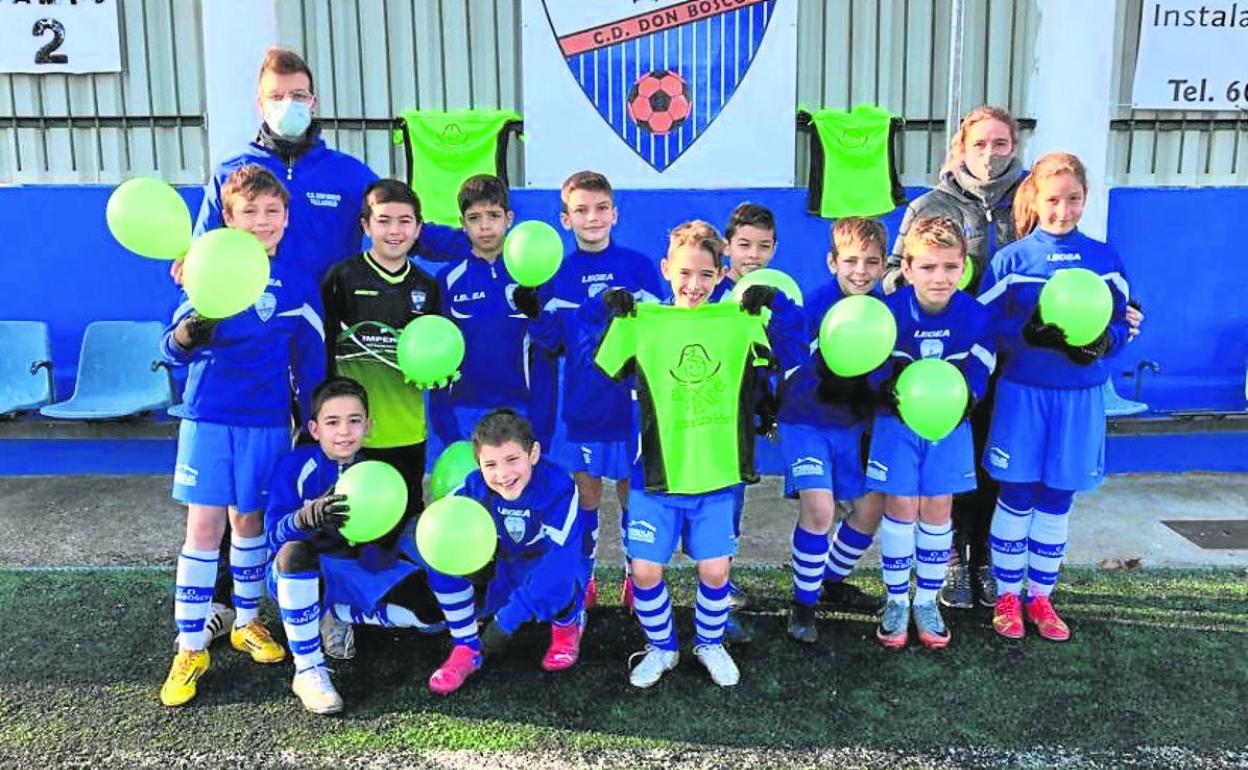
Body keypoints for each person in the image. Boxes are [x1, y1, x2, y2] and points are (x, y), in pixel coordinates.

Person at [593, 220, 792, 688]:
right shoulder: (641, 323)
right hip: (656, 475)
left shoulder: (740, 321)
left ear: (722, 274)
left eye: (705, 275)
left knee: (716, 567)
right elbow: (600, 364)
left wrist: (773, 310)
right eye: (684, 273)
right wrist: (609, 315)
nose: (694, 285)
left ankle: (709, 642)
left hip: (715, 471)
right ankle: (662, 647)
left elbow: (785, 350)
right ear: (665, 270)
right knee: (643, 569)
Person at [158, 165, 326, 707]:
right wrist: (187, 333)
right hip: (207, 417)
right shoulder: (206, 268)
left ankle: (248, 621)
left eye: (271, 212)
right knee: (205, 526)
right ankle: (189, 646)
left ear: (285, 218)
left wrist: (313, 420)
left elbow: (311, 356)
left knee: (250, 520)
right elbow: (171, 347)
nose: (261, 222)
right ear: (228, 218)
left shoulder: (299, 280)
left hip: (269, 421)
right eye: (248, 212)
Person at [978, 152, 1130, 642]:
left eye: (1074, 199)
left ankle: (1040, 597)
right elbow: (984, 325)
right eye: (1053, 200)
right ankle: (1006, 595)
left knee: (1057, 498)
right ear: (1035, 200)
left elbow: (1122, 320)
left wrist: (1105, 342)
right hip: (1024, 395)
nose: (1063, 210)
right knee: (1017, 493)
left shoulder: (1105, 258)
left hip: (1079, 398)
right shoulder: (1012, 259)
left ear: (1084, 199)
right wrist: (1026, 332)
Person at [881, 106, 1024, 609]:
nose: (989, 154)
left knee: (992, 459)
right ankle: (956, 561)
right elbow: (894, 271)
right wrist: (925, 298)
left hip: (1009, 354)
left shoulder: (1028, 198)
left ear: (1014, 146)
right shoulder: (928, 204)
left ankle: (983, 555)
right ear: (961, 148)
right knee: (951, 459)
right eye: (979, 144)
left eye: (1000, 143)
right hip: (937, 365)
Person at [523, 170, 665, 610]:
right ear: (566, 219)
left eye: (601, 208)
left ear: (615, 214)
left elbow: (661, 330)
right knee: (586, 496)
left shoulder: (638, 267)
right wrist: (534, 314)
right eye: (581, 210)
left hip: (629, 408)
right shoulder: (554, 275)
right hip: (582, 409)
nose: (592, 217)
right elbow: (552, 345)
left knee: (629, 493)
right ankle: (584, 577)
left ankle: (631, 573)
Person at [264, 377, 444, 714]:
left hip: (353, 569)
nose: (344, 431)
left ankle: (336, 614)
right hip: (302, 573)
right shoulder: (295, 466)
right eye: (332, 422)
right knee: (294, 552)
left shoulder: (380, 473)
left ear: (369, 426)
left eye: (354, 421)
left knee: (431, 615)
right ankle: (308, 669)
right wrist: (304, 520)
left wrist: (379, 544)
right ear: (315, 429)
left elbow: (384, 539)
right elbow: (272, 537)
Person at [867, 217, 995, 650]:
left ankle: (927, 600)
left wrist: (971, 395)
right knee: (901, 504)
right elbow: (869, 357)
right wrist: (881, 385)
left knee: (939, 508)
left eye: (949, 266)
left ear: (963, 268)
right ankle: (896, 600)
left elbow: (982, 363)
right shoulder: (889, 311)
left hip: (950, 424)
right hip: (897, 421)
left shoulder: (975, 316)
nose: (939, 277)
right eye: (927, 267)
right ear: (907, 269)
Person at [778, 217, 891, 645]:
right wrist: (819, 376)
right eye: (850, 261)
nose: (860, 270)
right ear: (832, 262)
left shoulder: (884, 310)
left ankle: (830, 580)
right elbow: (791, 368)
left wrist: (879, 387)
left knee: (871, 507)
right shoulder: (814, 306)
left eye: (871, 262)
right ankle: (803, 604)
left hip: (852, 426)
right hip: (806, 421)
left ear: (883, 266)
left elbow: (888, 368)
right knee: (821, 510)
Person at [423, 409, 587, 695]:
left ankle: (567, 624)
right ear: (478, 465)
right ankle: (466, 648)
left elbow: (559, 566)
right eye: (491, 464)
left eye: (512, 460)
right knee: (442, 555)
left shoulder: (559, 488)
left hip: (543, 570)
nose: (503, 474)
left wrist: (506, 621)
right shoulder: (473, 487)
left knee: (561, 582)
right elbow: (435, 532)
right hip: (504, 568)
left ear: (533, 454)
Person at [321, 179, 442, 531]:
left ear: (418, 228)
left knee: (405, 517)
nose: (394, 230)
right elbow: (322, 350)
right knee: (351, 515)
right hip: (352, 432)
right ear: (366, 225)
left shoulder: (426, 287)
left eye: (405, 221)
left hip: (407, 430)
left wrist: (444, 372)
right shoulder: (341, 278)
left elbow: (437, 354)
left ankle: (402, 586)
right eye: (384, 220)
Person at [429, 175, 555, 448]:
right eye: (474, 218)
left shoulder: (534, 276)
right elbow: (437, 356)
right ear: (462, 224)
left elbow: (549, 352)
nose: (485, 226)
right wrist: (446, 424)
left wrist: (541, 425)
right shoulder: (448, 279)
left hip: (521, 410)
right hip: (464, 412)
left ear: (509, 218)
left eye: (493, 215)